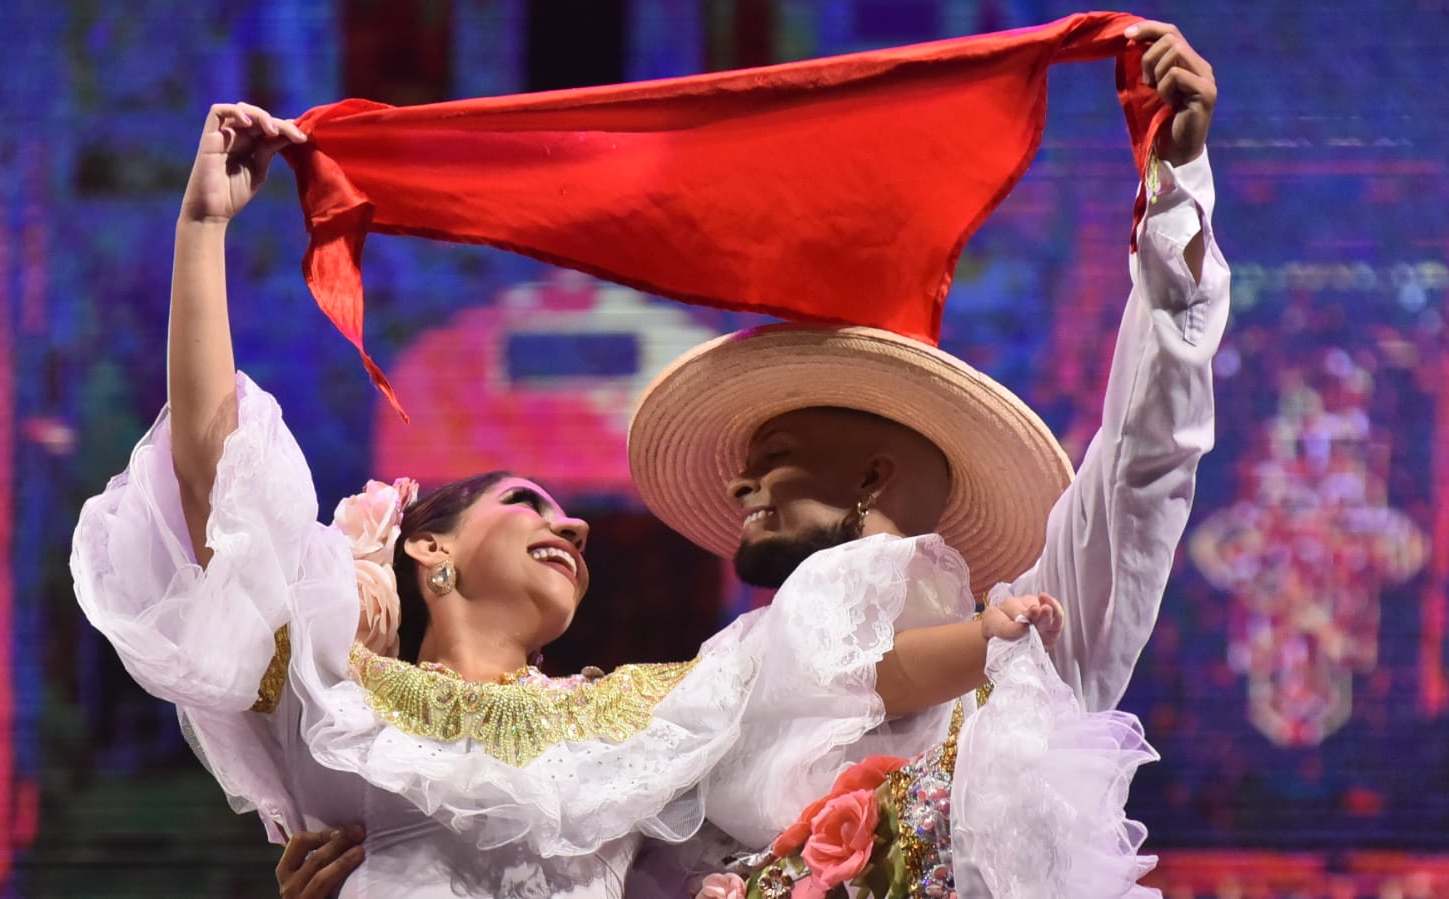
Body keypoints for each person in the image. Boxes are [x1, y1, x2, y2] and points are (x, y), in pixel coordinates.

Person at [273, 17, 1224, 896]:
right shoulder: (707, 716)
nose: (739, 481)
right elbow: (535, 853)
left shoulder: (1028, 651)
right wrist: (390, 864)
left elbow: (1145, 464)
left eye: (773, 452)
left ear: (870, 475)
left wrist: (1173, 192)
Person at [70, 101, 1065, 899]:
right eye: (524, 499)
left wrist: (985, 636)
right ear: (428, 550)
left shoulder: (639, 721)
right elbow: (216, 478)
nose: (574, 523)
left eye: (567, 513)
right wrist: (202, 229)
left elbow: (827, 671)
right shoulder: (334, 691)